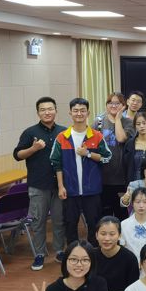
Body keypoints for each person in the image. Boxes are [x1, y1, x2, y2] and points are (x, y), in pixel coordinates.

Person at [50, 98, 113, 245]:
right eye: (76, 110)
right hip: (70, 191)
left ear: (88, 113)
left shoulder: (96, 136)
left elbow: (107, 157)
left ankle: (95, 254)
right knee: (70, 225)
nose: (79, 113)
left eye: (82, 110)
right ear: (70, 113)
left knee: (94, 224)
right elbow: (56, 163)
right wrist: (61, 186)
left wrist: (89, 154)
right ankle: (73, 254)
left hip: (92, 191)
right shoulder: (62, 137)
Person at [14, 96, 66, 270]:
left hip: (60, 185)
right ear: (38, 113)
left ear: (56, 110)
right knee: (38, 221)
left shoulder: (64, 132)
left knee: (59, 220)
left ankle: (59, 251)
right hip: (38, 185)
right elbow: (17, 155)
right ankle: (39, 254)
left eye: (50, 109)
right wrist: (33, 149)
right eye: (43, 109)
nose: (47, 112)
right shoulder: (30, 132)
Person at [94, 93, 135, 220]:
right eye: (110, 103)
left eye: (117, 103)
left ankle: (121, 240)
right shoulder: (99, 122)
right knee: (104, 216)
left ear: (123, 106)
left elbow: (121, 138)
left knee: (121, 215)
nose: (113, 105)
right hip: (102, 177)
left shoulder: (128, 122)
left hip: (121, 178)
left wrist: (117, 119)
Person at [93, 217, 140, 291]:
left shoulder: (129, 258)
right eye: (103, 234)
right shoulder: (91, 257)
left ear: (119, 235)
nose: (107, 238)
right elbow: (90, 286)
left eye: (112, 234)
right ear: (96, 235)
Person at [120, 187, 146, 259]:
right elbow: (122, 248)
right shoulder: (123, 225)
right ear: (132, 203)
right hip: (130, 264)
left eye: (145, 202)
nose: (141, 206)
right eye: (138, 202)